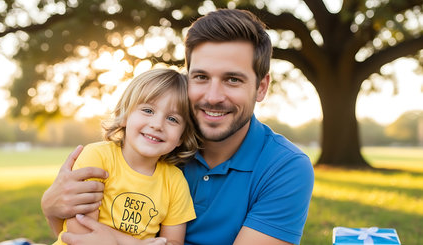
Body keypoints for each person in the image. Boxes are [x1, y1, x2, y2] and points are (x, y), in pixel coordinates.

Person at [41, 8, 314, 245]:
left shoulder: (285, 168)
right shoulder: (155, 148)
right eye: (201, 77)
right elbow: (76, 235)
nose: (213, 96)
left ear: (261, 87)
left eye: (232, 80)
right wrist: (51, 207)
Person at [52, 68, 200, 245]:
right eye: (148, 110)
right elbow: (81, 231)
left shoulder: (175, 181)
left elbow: (173, 242)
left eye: (173, 119)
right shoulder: (97, 158)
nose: (157, 125)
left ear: (181, 138)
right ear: (124, 116)